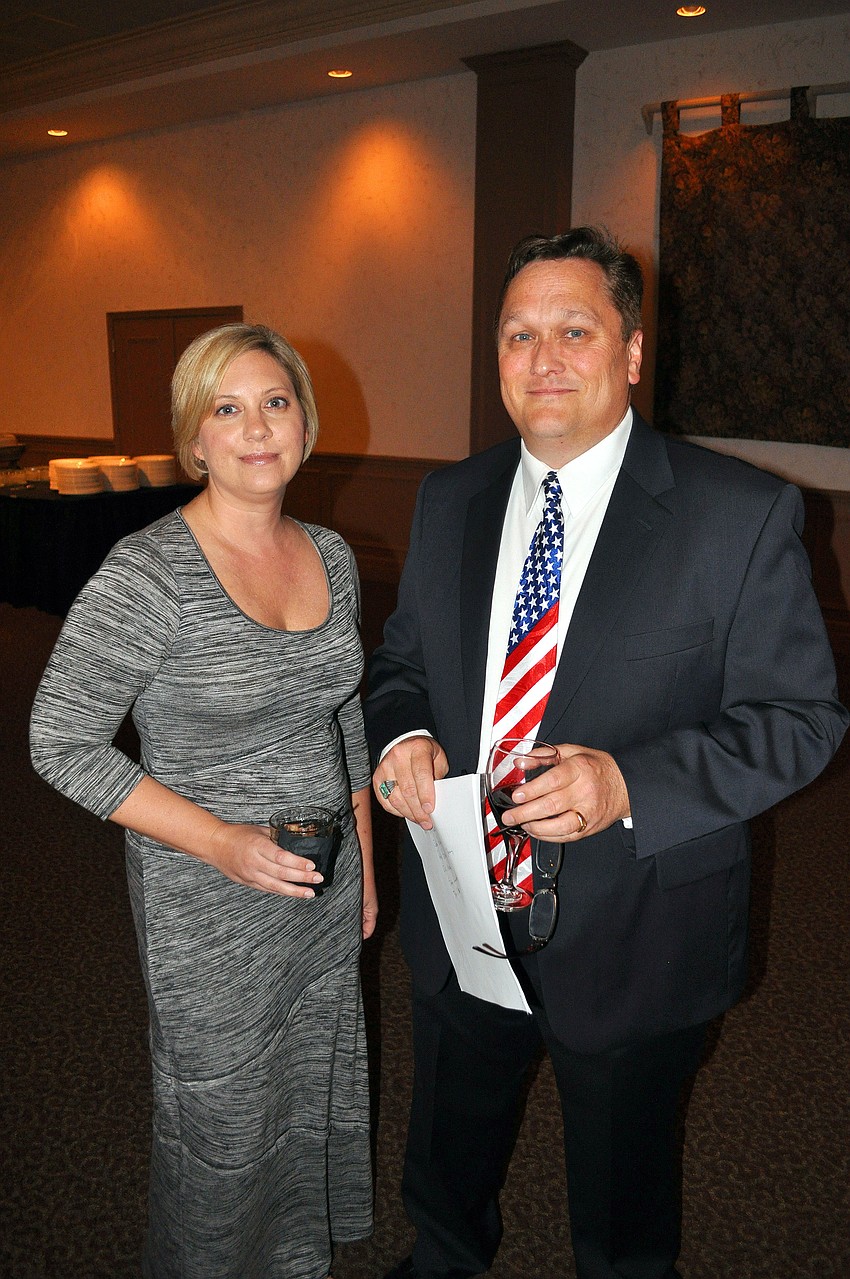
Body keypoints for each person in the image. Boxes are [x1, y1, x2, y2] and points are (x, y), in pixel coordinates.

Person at [365, 227, 848, 1279]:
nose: (543, 360)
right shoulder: (451, 499)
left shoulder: (740, 513)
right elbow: (400, 664)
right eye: (518, 334)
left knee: (623, 1215)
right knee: (447, 1154)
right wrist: (402, 734)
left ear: (631, 352)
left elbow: (803, 717)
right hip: (462, 908)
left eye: (574, 331)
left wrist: (630, 781)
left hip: (636, 929)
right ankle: (446, 1251)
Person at [30, 323, 377, 1279]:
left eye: (275, 401)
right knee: (223, 1126)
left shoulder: (333, 555)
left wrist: (370, 871)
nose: (256, 427)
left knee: (308, 1093)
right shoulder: (148, 576)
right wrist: (222, 842)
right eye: (227, 408)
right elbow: (58, 742)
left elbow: (343, 712)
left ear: (304, 424)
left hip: (321, 889)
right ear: (194, 438)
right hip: (207, 905)